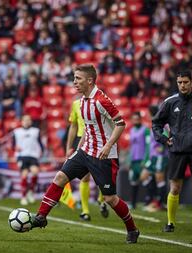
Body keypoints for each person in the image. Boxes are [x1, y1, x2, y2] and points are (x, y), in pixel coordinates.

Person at [31, 64, 139, 244]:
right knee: (59, 178)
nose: (74, 82)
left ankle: (132, 229)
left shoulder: (102, 100)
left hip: (103, 156)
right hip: (85, 150)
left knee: (110, 198)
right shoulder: (81, 102)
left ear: (90, 81)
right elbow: (88, 129)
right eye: (74, 78)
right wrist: (77, 148)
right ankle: (41, 217)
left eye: (78, 79)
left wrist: (108, 145)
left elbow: (121, 124)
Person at [152, 70, 192, 233]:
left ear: (191, 82)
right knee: (174, 188)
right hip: (177, 150)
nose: (182, 85)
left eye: (185, 82)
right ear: (177, 83)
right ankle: (170, 223)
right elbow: (156, 124)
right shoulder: (170, 102)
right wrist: (164, 139)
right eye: (180, 82)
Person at [66, 98, 109, 222]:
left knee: (101, 174)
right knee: (84, 177)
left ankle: (101, 200)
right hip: (81, 139)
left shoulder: (99, 102)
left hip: (97, 139)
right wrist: (69, 147)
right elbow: (73, 126)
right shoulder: (75, 104)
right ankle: (85, 211)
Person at [12, 115, 43, 206]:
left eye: (28, 120)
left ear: (31, 121)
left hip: (33, 155)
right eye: (25, 120)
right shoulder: (17, 132)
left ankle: (31, 192)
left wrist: (41, 151)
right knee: (24, 175)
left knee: (35, 172)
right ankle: (23, 197)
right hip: (22, 156)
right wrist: (15, 148)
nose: (27, 122)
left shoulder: (36, 131)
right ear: (21, 121)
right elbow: (13, 144)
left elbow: (40, 143)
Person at [144, 105, 168, 211]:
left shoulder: (161, 123)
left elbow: (166, 135)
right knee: (146, 176)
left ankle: (161, 203)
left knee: (160, 179)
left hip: (160, 157)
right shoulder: (153, 124)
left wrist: (162, 147)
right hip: (153, 157)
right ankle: (153, 201)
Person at [128, 112, 151, 209]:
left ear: (140, 119)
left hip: (142, 160)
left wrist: (145, 160)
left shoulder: (145, 130)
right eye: (134, 119)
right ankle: (133, 204)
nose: (136, 120)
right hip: (133, 161)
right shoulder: (132, 130)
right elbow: (131, 146)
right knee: (133, 182)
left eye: (137, 119)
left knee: (145, 181)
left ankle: (149, 203)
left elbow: (148, 145)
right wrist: (129, 160)